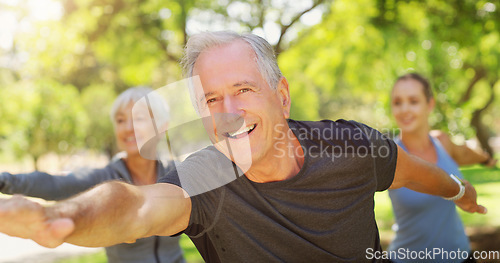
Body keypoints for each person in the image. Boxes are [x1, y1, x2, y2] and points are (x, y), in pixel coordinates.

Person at [0, 31, 489, 263]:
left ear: (281, 94)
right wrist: (63, 219)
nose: (227, 110)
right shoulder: (206, 178)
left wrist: (459, 191)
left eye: (243, 90)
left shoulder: (350, 144)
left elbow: (417, 173)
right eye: (211, 99)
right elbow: (137, 206)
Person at [0, 87, 185, 263]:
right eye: (120, 120)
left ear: (163, 127)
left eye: (139, 118)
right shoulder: (105, 179)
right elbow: (55, 183)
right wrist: (6, 181)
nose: (128, 128)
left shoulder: (177, 173)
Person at [387, 73, 497, 263]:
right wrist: (459, 192)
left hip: (460, 255)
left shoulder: (442, 141)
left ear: (430, 104)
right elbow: (428, 178)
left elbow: (464, 153)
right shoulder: (389, 156)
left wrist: (486, 159)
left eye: (413, 101)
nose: (404, 109)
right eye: (397, 102)